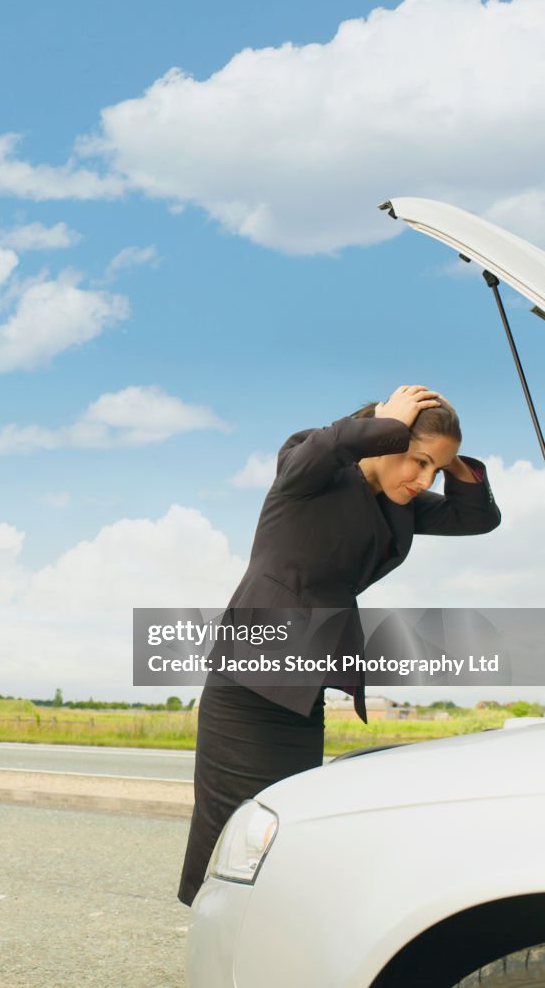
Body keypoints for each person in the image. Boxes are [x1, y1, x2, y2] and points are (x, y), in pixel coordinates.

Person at [177, 385, 501, 907]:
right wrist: (387, 421)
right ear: (381, 435)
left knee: (286, 833)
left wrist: (451, 458)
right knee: (231, 834)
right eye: (417, 461)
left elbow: (477, 519)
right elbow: (325, 447)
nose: (424, 480)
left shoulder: (401, 506)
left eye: (434, 471)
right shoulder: (312, 469)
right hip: (250, 679)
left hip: (304, 686)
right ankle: (216, 946)